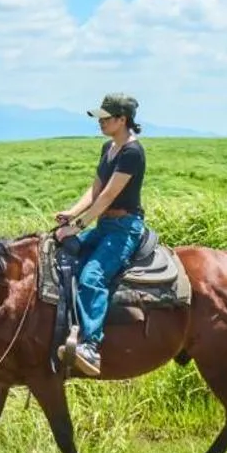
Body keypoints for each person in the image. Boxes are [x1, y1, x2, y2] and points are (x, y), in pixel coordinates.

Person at [53, 93, 148, 378]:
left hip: (124, 229)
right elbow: (94, 190)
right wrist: (71, 213)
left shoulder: (132, 152)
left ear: (122, 120)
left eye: (106, 118)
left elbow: (107, 197)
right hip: (104, 226)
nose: (101, 122)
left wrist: (78, 226)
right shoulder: (109, 147)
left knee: (93, 276)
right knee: (62, 255)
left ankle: (91, 345)